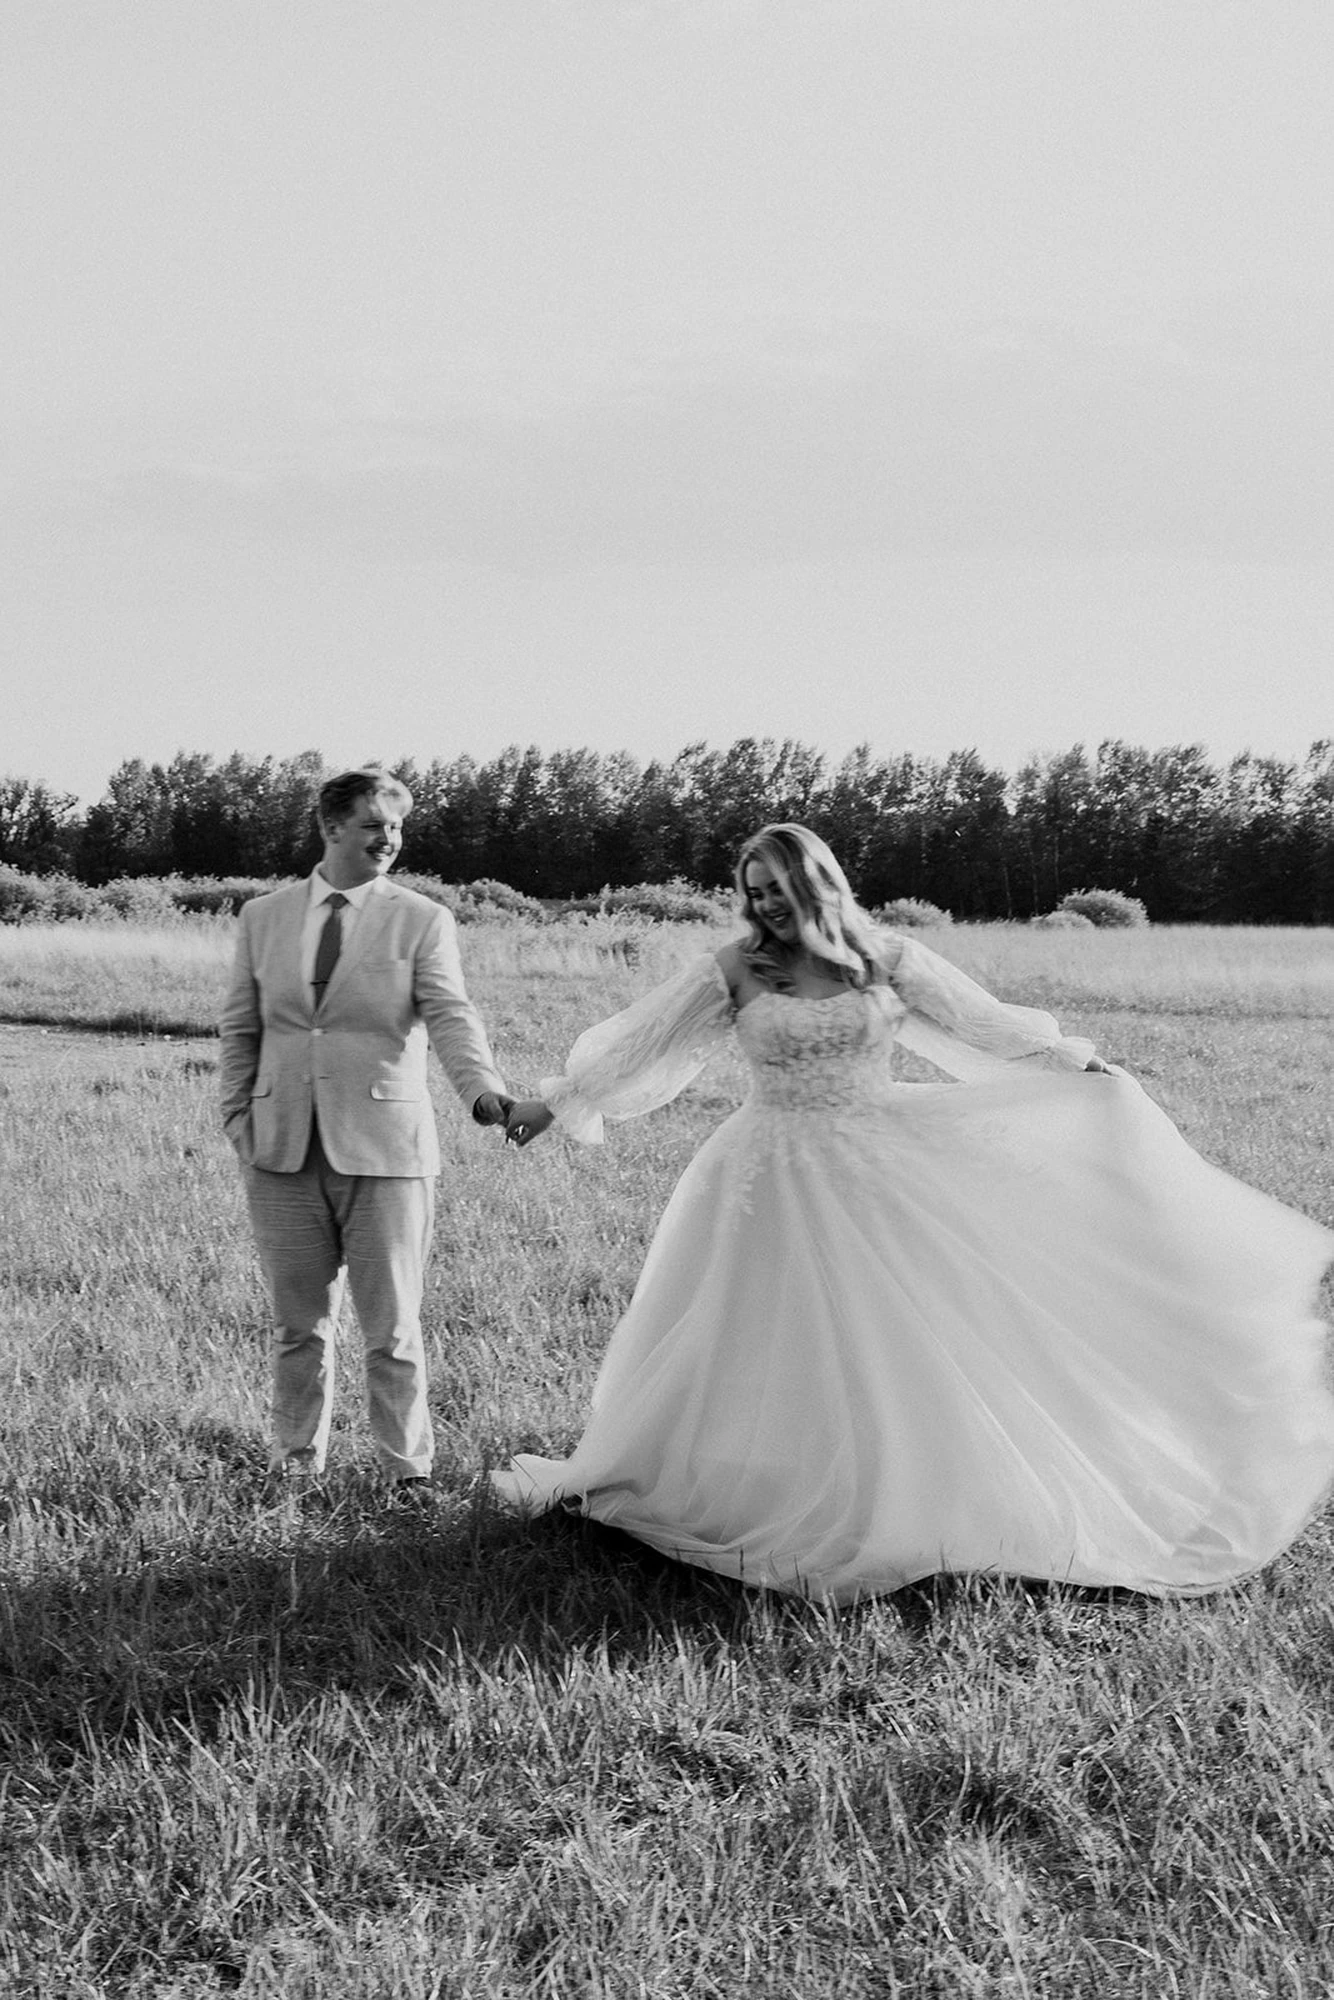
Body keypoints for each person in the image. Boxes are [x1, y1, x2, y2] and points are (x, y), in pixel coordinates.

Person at [495, 823, 1334, 1601]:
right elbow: (650, 1043)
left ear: (816, 881)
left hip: (873, 1161)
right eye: (752, 892)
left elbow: (982, 1025)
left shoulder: (888, 958)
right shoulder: (737, 968)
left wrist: (1075, 1067)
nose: (764, 905)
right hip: (767, 1170)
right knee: (757, 1332)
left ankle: (898, 1491)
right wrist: (559, 1102)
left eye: (777, 887)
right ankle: (741, 1479)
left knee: (893, 1336)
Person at [219, 766, 514, 1492]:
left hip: (387, 1150)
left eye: (397, 827)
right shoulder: (263, 916)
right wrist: (238, 1118)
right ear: (331, 828)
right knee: (298, 1327)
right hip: (280, 1149)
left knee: (393, 1329)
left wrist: (484, 1094)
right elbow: (240, 1026)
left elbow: (450, 1014)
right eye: (376, 825)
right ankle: (295, 1464)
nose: (391, 839)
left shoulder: (421, 919)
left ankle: (407, 1472)